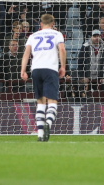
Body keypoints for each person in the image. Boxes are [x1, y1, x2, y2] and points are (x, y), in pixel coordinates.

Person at [21, 14, 66, 142]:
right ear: (53, 23)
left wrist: (23, 70)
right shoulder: (57, 34)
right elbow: (62, 49)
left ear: (40, 24)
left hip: (36, 69)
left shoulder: (32, 36)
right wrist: (63, 66)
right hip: (50, 69)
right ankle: (48, 124)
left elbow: (26, 54)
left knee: (40, 101)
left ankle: (40, 135)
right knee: (52, 101)